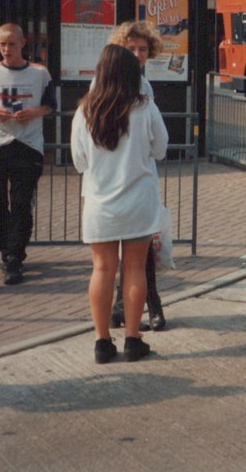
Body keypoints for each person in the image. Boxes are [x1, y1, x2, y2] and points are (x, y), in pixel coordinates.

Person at [72, 44, 168, 363]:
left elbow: (78, 161)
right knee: (135, 268)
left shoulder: (85, 110)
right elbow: (161, 149)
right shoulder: (145, 107)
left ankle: (102, 342)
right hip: (139, 200)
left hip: (99, 203)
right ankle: (132, 338)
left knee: (102, 268)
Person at [0, 24, 56, 285]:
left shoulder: (39, 73)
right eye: (1, 44)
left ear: (22, 43)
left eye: (11, 44)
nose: (6, 49)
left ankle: (14, 257)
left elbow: (50, 106)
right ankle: (5, 245)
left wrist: (34, 112)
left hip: (27, 143)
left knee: (21, 202)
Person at [106, 20, 167, 331]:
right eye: (131, 48)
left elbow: (159, 143)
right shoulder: (104, 84)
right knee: (123, 249)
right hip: (115, 178)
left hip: (141, 175)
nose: (137, 54)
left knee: (140, 247)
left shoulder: (146, 87)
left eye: (143, 49)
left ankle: (133, 307)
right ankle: (136, 307)